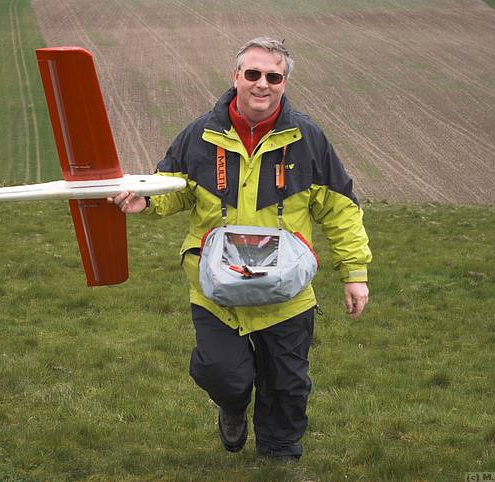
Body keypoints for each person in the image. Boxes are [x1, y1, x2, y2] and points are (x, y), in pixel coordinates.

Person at [108, 37, 372, 461]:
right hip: (217, 291)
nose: (261, 84)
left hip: (286, 295)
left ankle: (279, 455)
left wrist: (354, 273)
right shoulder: (200, 135)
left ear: (284, 83)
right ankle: (232, 407)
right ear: (235, 78)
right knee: (223, 375)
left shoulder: (308, 139)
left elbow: (340, 210)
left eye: (273, 76)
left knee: (286, 385)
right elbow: (173, 188)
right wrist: (146, 200)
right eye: (252, 74)